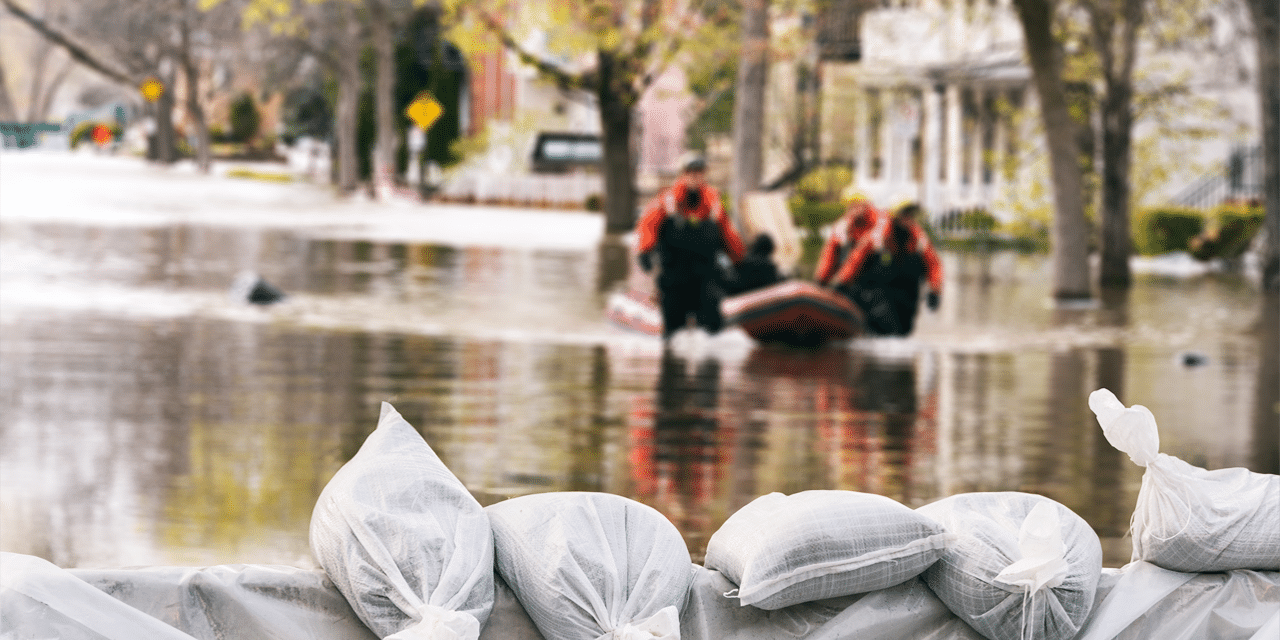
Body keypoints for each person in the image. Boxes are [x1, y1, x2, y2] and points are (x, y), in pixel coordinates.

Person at [636, 155, 746, 339]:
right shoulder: (667, 202)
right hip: (675, 278)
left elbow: (728, 235)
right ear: (683, 175)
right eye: (691, 172)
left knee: (713, 329)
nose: (695, 176)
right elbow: (648, 225)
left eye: (699, 172)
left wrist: (739, 261)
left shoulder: (713, 204)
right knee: (673, 334)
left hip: (705, 278)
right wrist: (645, 251)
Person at [878, 202, 943, 335]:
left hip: (909, 291)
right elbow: (858, 258)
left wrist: (935, 290)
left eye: (911, 215)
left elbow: (933, 263)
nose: (909, 218)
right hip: (883, 289)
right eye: (905, 214)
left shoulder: (918, 236)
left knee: (905, 330)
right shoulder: (880, 234)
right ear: (895, 216)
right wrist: (843, 282)